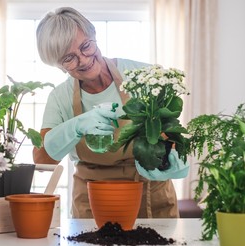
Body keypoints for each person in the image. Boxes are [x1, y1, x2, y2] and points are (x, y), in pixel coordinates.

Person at [33, 7, 188, 218]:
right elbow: (42, 160)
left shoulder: (143, 76)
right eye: (69, 58)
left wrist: (169, 160)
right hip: (91, 205)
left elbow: (168, 136)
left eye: (86, 46)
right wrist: (75, 126)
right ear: (59, 66)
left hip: (150, 197)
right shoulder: (60, 97)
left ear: (93, 35)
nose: (84, 60)